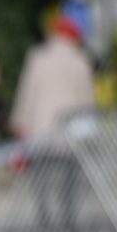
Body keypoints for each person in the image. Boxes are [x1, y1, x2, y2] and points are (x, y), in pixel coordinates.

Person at [9, 12, 97, 145]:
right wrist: (91, 135)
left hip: (38, 132)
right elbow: (86, 99)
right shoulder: (81, 62)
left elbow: (26, 94)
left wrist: (19, 122)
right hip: (71, 136)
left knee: (41, 165)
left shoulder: (37, 57)